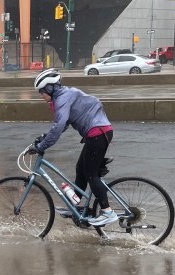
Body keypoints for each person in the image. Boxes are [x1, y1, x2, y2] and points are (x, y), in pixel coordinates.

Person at [30, 68, 118, 226]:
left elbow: (58, 126)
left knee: (91, 174)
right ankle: (74, 207)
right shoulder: (64, 95)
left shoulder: (62, 98)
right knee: (80, 169)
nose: (41, 95)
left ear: (49, 88)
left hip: (97, 133)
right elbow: (62, 124)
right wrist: (44, 137)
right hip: (97, 133)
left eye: (41, 92)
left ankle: (107, 212)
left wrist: (42, 146)